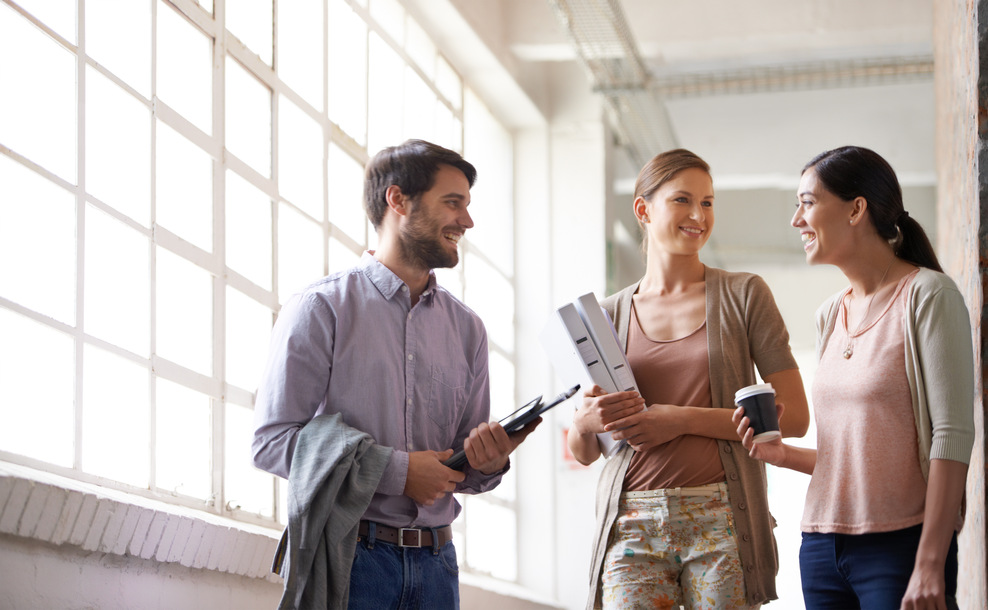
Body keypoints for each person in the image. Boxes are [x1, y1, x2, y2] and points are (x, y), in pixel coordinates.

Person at [252, 139, 538, 609]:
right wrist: (397, 472)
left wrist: (486, 462)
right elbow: (271, 441)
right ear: (398, 200)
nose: (467, 221)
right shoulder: (322, 308)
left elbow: (457, 469)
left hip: (438, 565)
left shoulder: (468, 330)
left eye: (467, 206)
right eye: (453, 203)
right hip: (352, 561)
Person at [734, 145, 975, 609]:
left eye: (807, 202)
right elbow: (856, 455)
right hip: (822, 549)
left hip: (901, 548)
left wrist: (930, 560)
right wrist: (781, 454)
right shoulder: (830, 314)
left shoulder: (928, 296)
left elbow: (951, 436)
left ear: (856, 209)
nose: (796, 220)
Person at [568, 148, 810, 609]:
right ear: (643, 210)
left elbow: (794, 418)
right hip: (631, 522)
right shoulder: (605, 316)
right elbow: (585, 453)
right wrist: (583, 424)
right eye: (682, 200)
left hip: (723, 518)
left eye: (708, 202)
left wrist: (678, 420)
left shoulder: (744, 296)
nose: (699, 215)